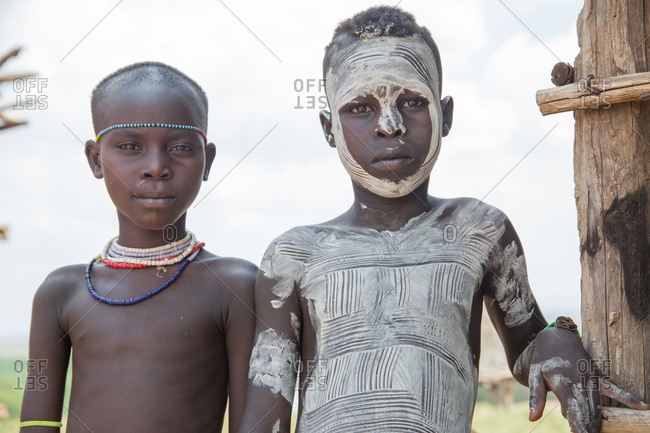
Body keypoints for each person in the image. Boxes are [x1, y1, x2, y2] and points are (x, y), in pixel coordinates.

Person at [240, 7, 650, 433]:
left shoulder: (481, 230)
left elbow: (526, 350)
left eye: (413, 102)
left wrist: (556, 336)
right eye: (359, 108)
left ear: (446, 115)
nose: (389, 125)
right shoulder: (292, 257)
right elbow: (265, 411)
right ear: (329, 129)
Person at [19, 62, 257, 433]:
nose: (156, 167)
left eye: (180, 148)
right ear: (96, 159)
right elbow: (37, 420)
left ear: (207, 160)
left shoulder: (235, 286)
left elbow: (252, 424)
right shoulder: (60, 292)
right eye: (130, 147)